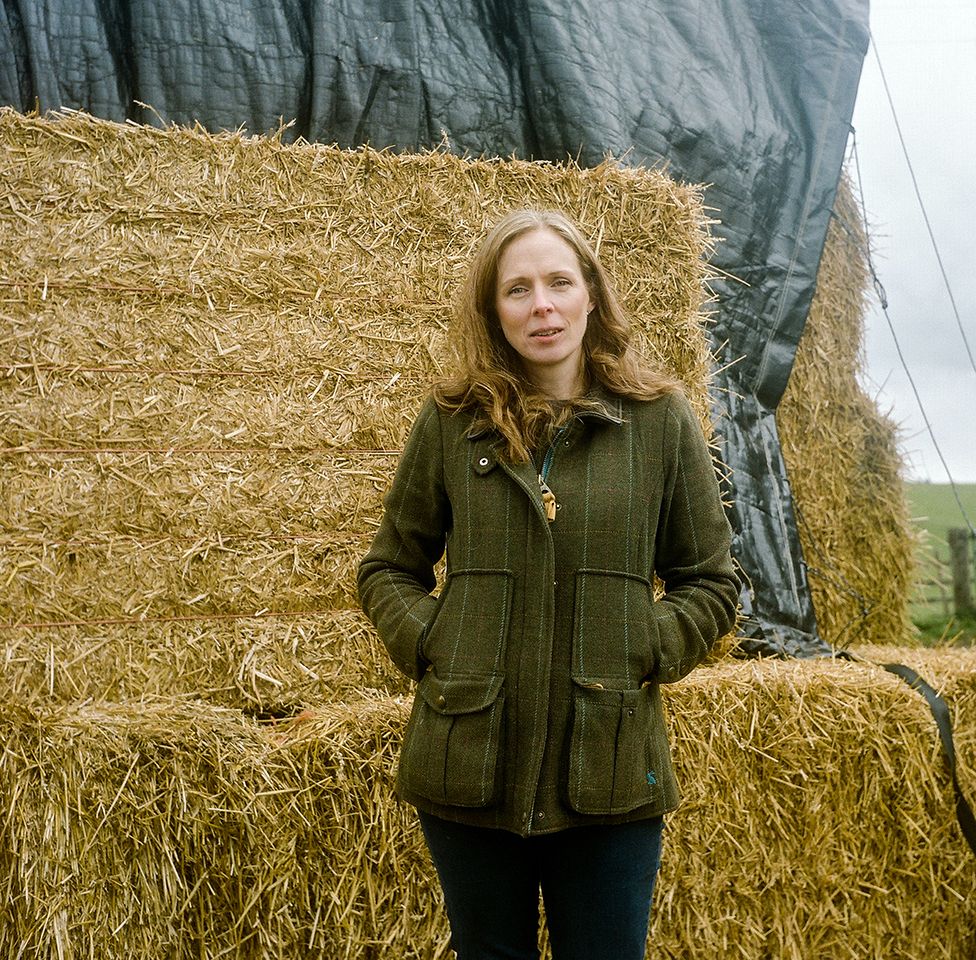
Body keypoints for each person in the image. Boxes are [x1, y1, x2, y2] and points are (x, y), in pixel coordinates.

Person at [358, 208, 739, 960]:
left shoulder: (659, 420)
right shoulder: (451, 422)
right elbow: (388, 568)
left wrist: (644, 645)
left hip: (610, 773)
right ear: (493, 311)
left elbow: (711, 582)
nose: (542, 306)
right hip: (469, 763)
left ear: (591, 294)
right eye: (518, 289)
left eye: (560, 282)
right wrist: (436, 643)